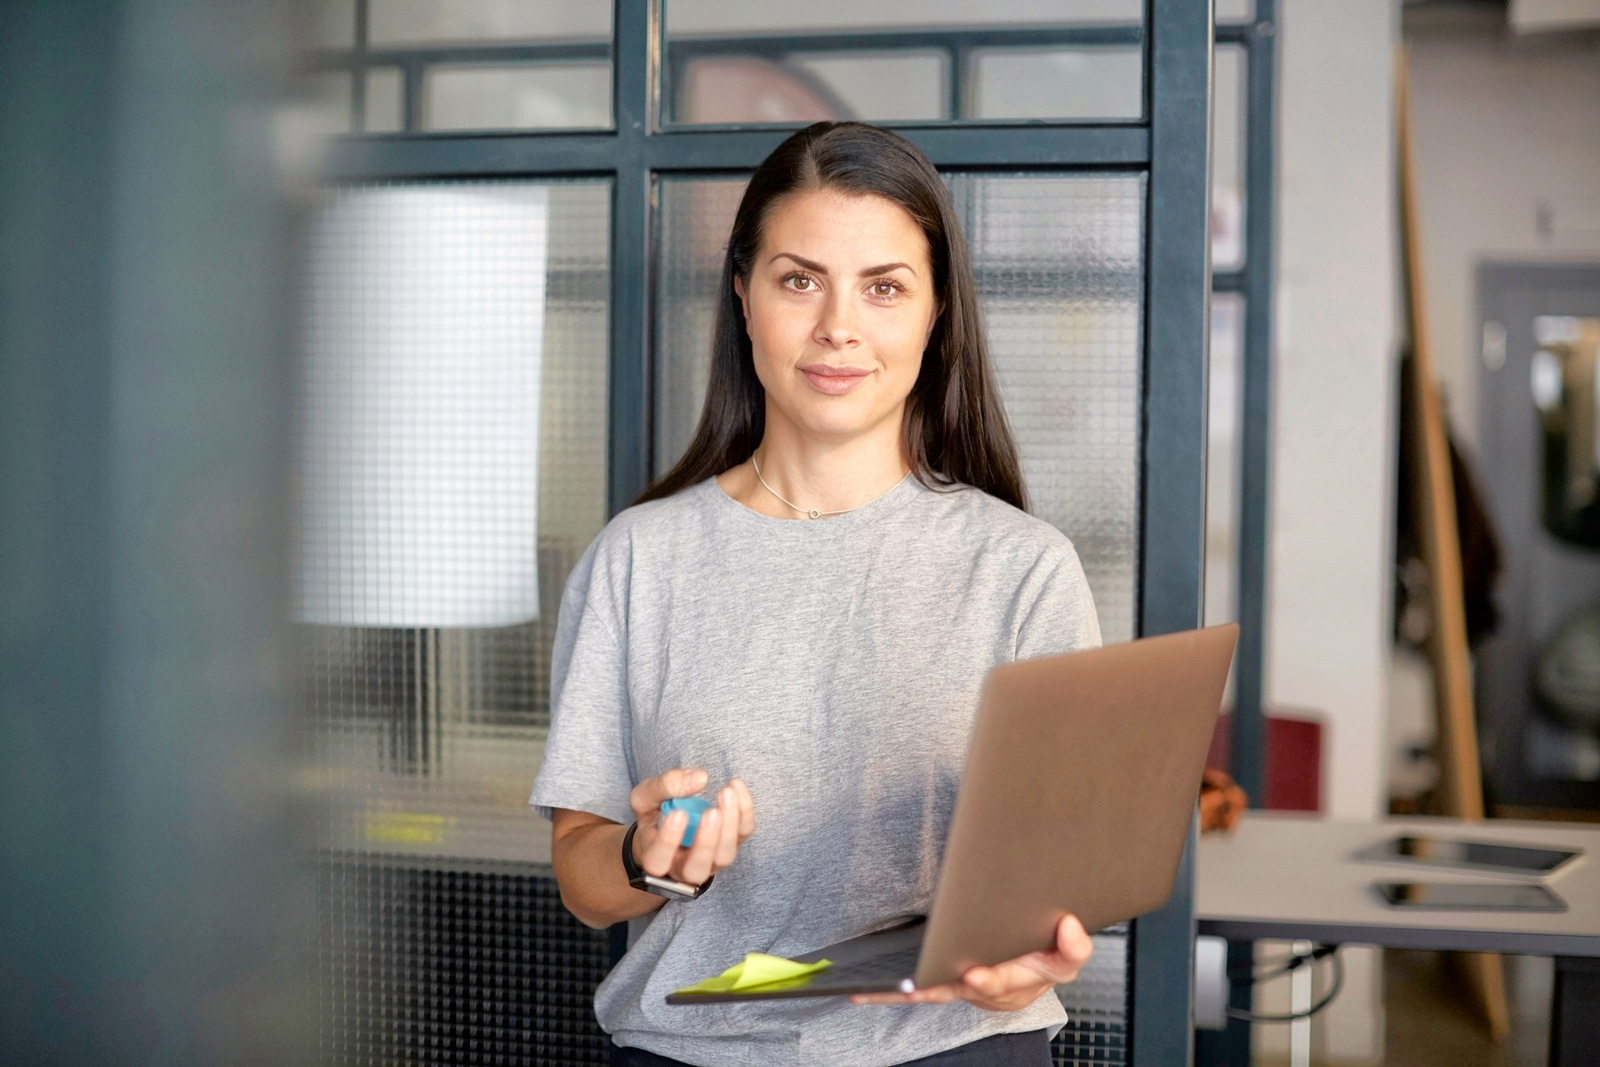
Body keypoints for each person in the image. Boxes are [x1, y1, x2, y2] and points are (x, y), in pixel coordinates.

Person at [529, 122, 1100, 1067]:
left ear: (936, 313)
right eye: (800, 279)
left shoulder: (1023, 569)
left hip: (955, 1050)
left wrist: (1029, 966)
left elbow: (1058, 884)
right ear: (744, 297)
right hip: (691, 1050)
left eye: (884, 286)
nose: (840, 324)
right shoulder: (639, 559)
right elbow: (584, 880)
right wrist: (642, 857)